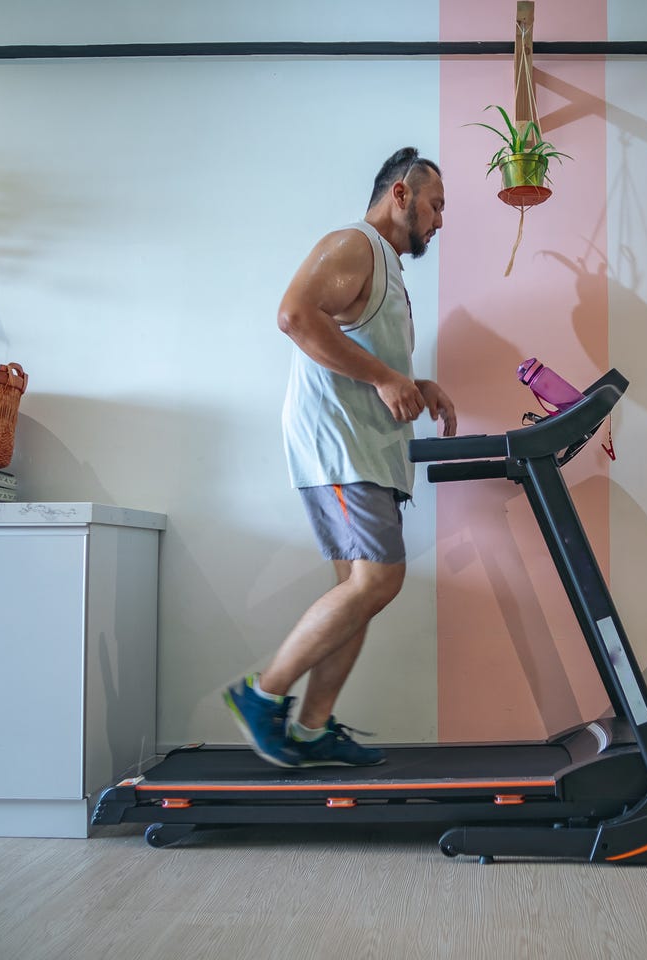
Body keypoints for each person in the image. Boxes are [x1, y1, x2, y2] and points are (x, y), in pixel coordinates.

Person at [224, 147, 456, 768]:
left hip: (364, 450)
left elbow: (361, 353)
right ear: (401, 195)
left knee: (359, 591)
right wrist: (386, 378)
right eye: (435, 206)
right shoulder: (353, 244)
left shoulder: (384, 267)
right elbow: (295, 316)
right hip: (339, 449)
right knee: (379, 579)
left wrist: (413, 382)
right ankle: (262, 695)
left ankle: (309, 729)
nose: (440, 222)